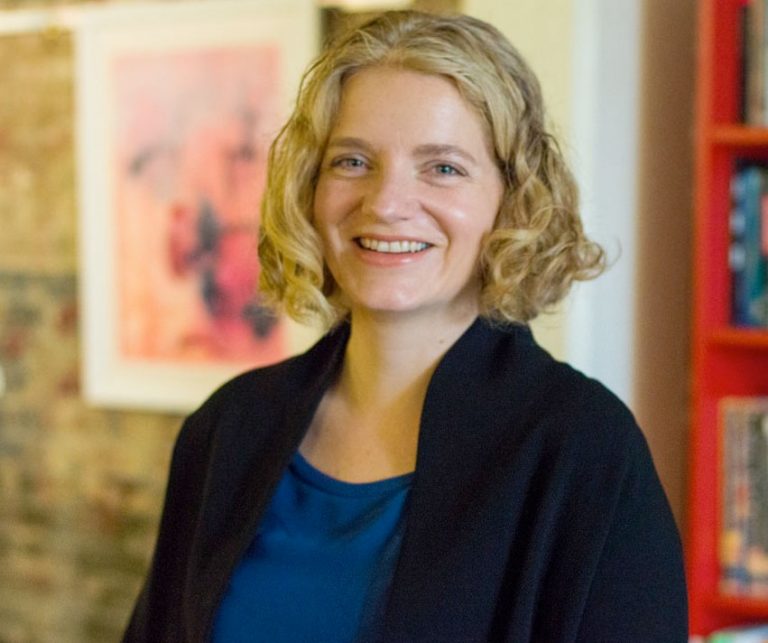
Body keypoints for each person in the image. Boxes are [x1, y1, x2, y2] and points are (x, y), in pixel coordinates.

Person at [123, 10, 688, 643]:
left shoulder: (583, 449)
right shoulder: (229, 427)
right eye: (352, 161)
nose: (387, 203)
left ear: (513, 198)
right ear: (310, 186)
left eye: (442, 167)